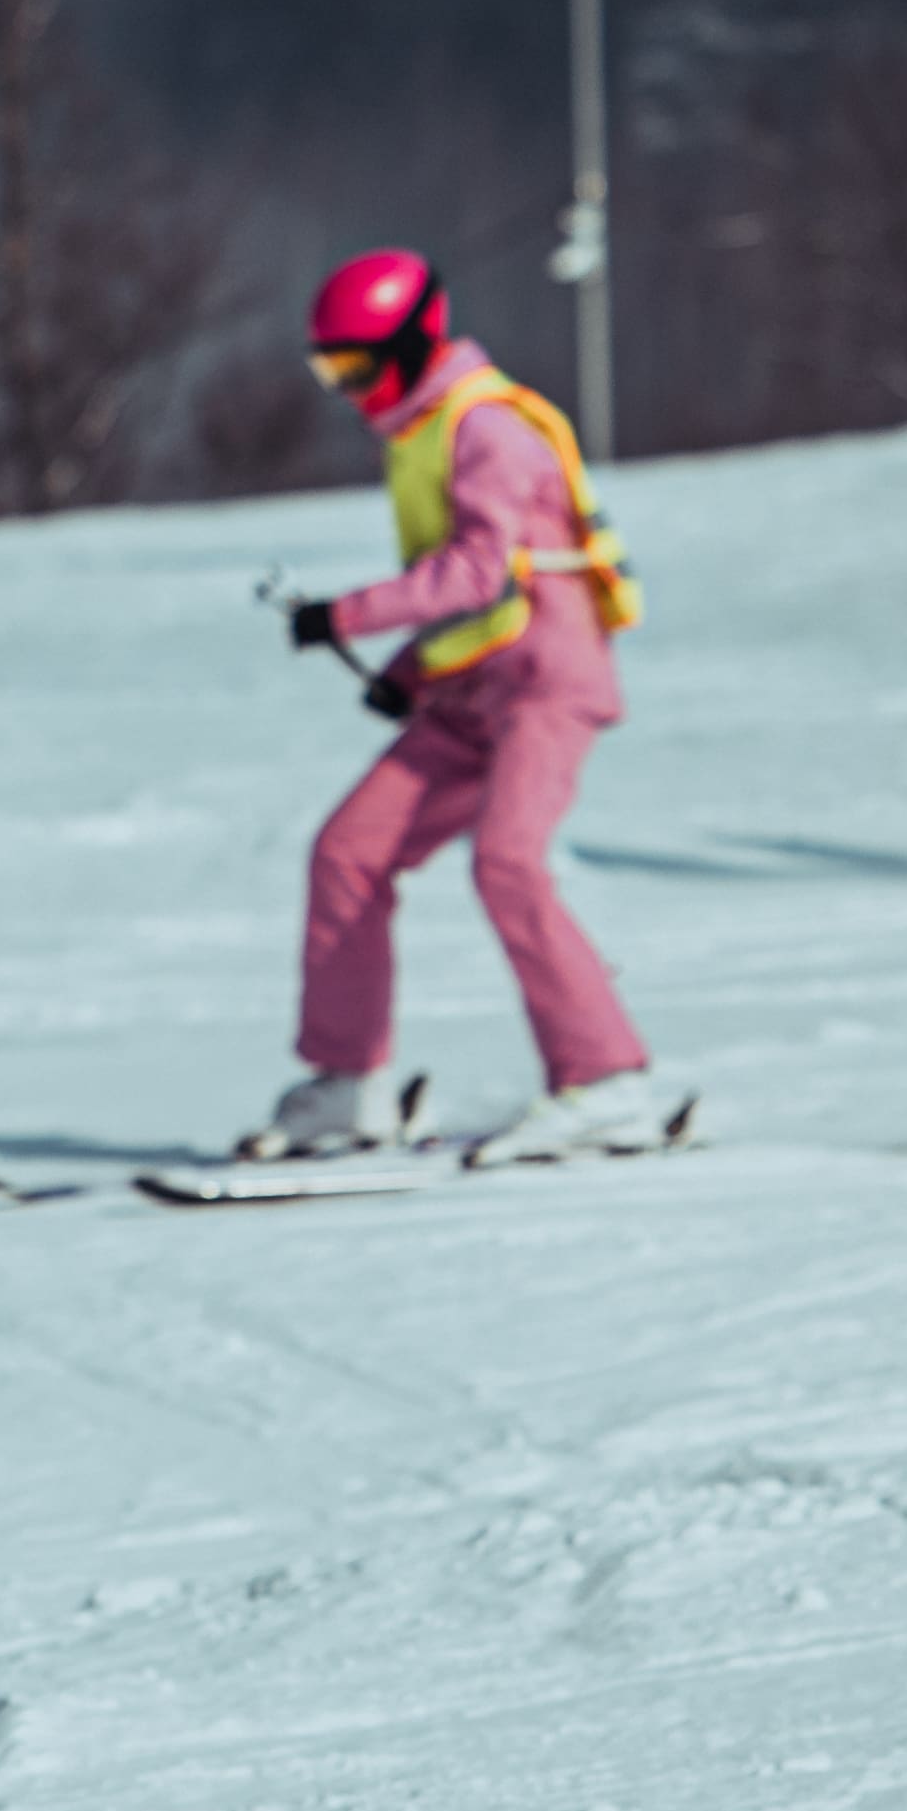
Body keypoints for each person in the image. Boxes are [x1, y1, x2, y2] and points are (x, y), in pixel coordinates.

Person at [258, 251, 667, 1165]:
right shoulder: (423, 429)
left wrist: (349, 614)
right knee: (349, 854)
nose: (350, 390)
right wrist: (406, 670)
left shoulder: (488, 428)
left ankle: (608, 1085)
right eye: (334, 373)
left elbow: (486, 568)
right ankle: (347, 1085)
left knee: (508, 864)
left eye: (359, 369)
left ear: (410, 346)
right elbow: (482, 598)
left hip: (545, 688)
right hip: (469, 693)